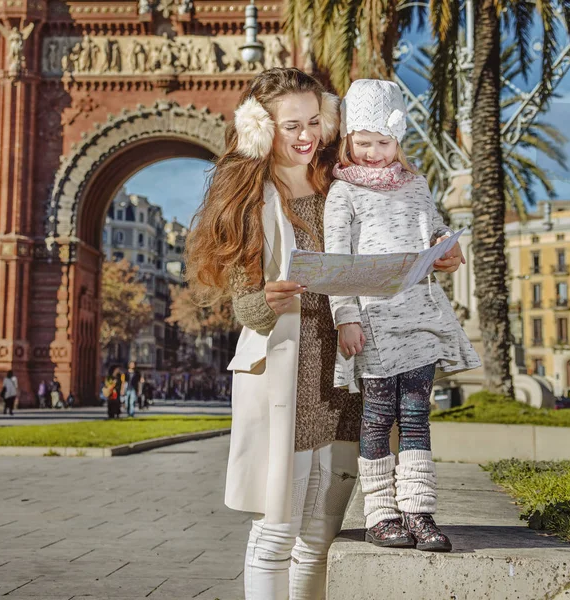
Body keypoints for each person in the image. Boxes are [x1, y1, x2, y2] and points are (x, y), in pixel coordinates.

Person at [185, 68, 363, 600]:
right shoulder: (247, 201)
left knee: (321, 538)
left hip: (343, 377)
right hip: (286, 377)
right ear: (261, 128)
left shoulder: (343, 186)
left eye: (314, 121)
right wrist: (266, 299)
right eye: (291, 126)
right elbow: (245, 306)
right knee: (276, 534)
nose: (306, 135)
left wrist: (431, 260)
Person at [324, 79, 481, 552]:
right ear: (349, 141)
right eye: (365, 143)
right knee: (375, 417)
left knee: (416, 416)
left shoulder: (417, 185)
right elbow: (337, 262)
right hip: (372, 323)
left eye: (384, 143)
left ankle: (419, 511)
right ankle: (381, 514)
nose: (374, 153)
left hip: (419, 319)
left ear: (398, 141)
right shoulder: (342, 193)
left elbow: (436, 234)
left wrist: (447, 251)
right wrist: (345, 318)